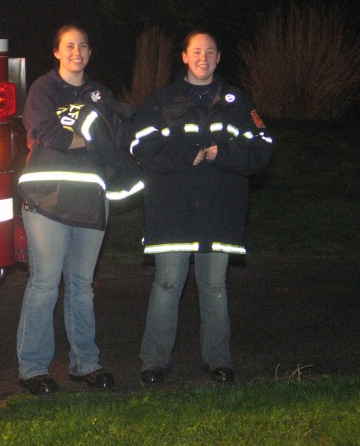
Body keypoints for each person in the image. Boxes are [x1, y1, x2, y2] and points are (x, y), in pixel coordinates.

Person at [130, 29, 273, 384]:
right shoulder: (162, 100)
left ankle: (219, 360)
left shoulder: (238, 102)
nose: (203, 58)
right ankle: (154, 361)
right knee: (167, 284)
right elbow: (139, 146)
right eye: (196, 51)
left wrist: (223, 154)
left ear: (219, 57)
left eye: (210, 52)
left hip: (219, 211)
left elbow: (263, 148)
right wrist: (186, 155)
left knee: (215, 287)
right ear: (184, 56)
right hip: (172, 211)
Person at [16, 24, 142, 395]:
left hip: (90, 201)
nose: (77, 51)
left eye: (83, 45)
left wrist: (100, 143)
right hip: (46, 199)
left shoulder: (101, 93)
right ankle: (33, 368)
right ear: (56, 52)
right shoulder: (44, 89)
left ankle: (86, 364)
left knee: (82, 287)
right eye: (69, 46)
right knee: (44, 283)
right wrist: (92, 141)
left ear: (89, 52)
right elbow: (47, 133)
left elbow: (119, 137)